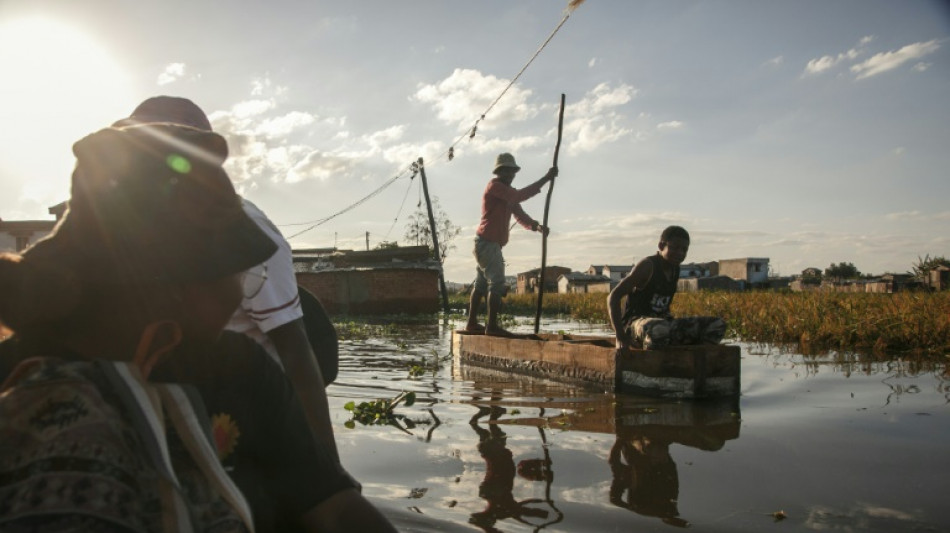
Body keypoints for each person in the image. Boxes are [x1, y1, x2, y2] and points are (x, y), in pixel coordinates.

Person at [0, 124, 395, 532]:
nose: (238, 293)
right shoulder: (21, 383)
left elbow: (333, 505)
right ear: (174, 288)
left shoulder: (241, 367)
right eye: (234, 275)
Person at [115, 96, 342, 464]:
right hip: (172, 398)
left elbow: (296, 350)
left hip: (246, 409)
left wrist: (327, 466)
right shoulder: (124, 225)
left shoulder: (245, 233)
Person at [465, 153, 557, 337]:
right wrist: (546, 179)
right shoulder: (495, 186)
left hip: (487, 244)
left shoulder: (508, 193)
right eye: (506, 171)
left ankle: (472, 324)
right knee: (497, 284)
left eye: (512, 171)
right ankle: (491, 327)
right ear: (499, 172)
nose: (510, 174)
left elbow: (519, 214)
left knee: (481, 284)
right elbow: (520, 196)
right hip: (487, 244)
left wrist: (536, 226)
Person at [607, 226, 726, 350]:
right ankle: (650, 359)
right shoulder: (648, 266)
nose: (680, 253)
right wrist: (620, 336)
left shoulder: (675, 268)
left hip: (664, 324)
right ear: (661, 246)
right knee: (659, 329)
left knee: (717, 325)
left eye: (684, 250)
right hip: (636, 325)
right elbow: (613, 297)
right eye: (674, 248)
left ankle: (693, 358)